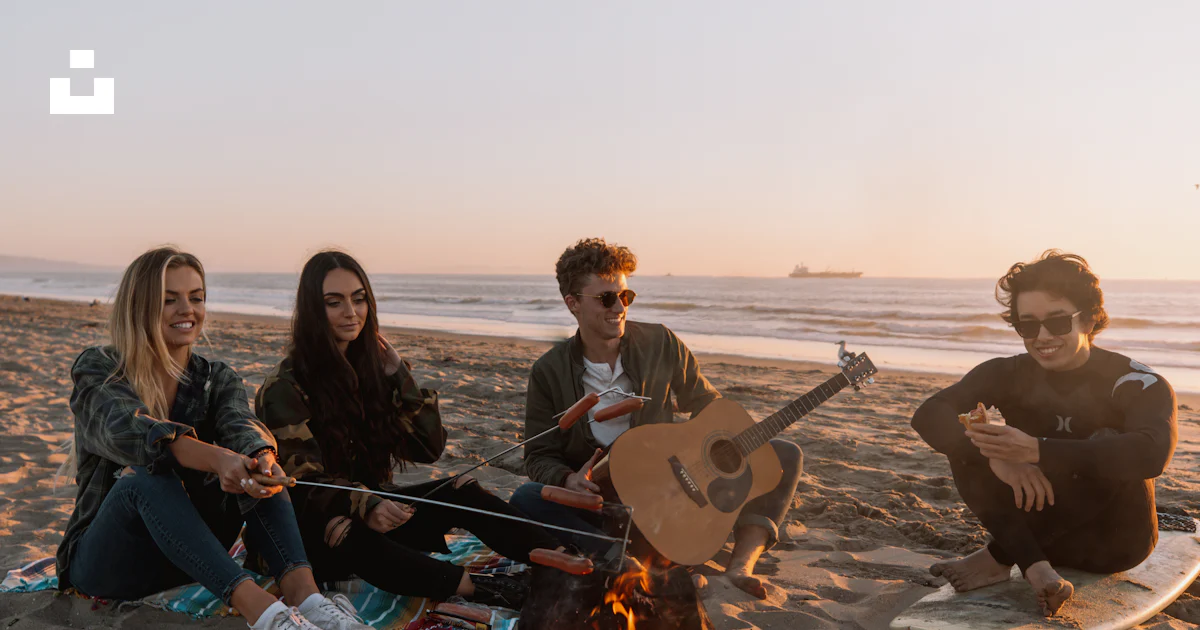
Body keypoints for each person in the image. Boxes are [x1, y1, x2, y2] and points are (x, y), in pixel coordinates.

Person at [58, 247, 370, 630]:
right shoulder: (99, 368)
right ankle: (268, 615)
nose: (187, 310)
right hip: (108, 565)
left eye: (196, 297)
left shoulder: (215, 377)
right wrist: (218, 459)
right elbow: (132, 431)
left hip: (190, 560)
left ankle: (309, 599)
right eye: (169, 299)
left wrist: (260, 457)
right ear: (139, 305)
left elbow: (241, 422)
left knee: (256, 469)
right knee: (145, 477)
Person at [255, 250, 562, 610]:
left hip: (378, 517)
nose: (351, 312)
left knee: (461, 488)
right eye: (333, 302)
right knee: (343, 528)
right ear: (312, 310)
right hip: (310, 534)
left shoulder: (372, 372)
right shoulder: (284, 387)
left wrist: (400, 375)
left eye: (359, 299)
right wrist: (365, 503)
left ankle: (563, 561)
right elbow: (303, 485)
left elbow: (427, 448)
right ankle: (481, 587)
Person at [508, 237, 804, 599]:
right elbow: (538, 456)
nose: (619, 307)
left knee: (783, 453)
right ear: (573, 303)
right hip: (603, 503)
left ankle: (741, 565)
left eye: (625, 296)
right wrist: (568, 479)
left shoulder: (660, 342)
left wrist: (703, 449)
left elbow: (706, 402)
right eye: (606, 298)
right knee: (525, 498)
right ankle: (623, 560)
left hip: (671, 494)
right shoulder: (548, 371)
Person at [911, 250, 1177, 616]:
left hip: (1113, 543)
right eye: (1028, 326)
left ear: (1089, 318)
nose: (1042, 337)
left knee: (1106, 439)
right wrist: (1000, 459)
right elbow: (928, 415)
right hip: (1035, 540)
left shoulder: (1133, 381)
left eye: (1058, 321)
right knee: (971, 441)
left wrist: (1036, 450)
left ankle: (998, 558)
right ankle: (1036, 570)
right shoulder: (1008, 373)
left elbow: (1152, 453)